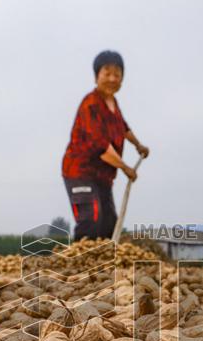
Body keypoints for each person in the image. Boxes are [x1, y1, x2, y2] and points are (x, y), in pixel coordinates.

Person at [61, 50, 149, 240]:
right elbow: (100, 146)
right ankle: (80, 262)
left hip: (102, 175)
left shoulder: (113, 103)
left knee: (109, 223)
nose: (112, 78)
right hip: (80, 172)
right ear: (96, 77)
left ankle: (103, 267)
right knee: (91, 221)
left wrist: (138, 145)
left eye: (117, 74)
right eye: (107, 73)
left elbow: (123, 128)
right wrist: (125, 168)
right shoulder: (90, 104)